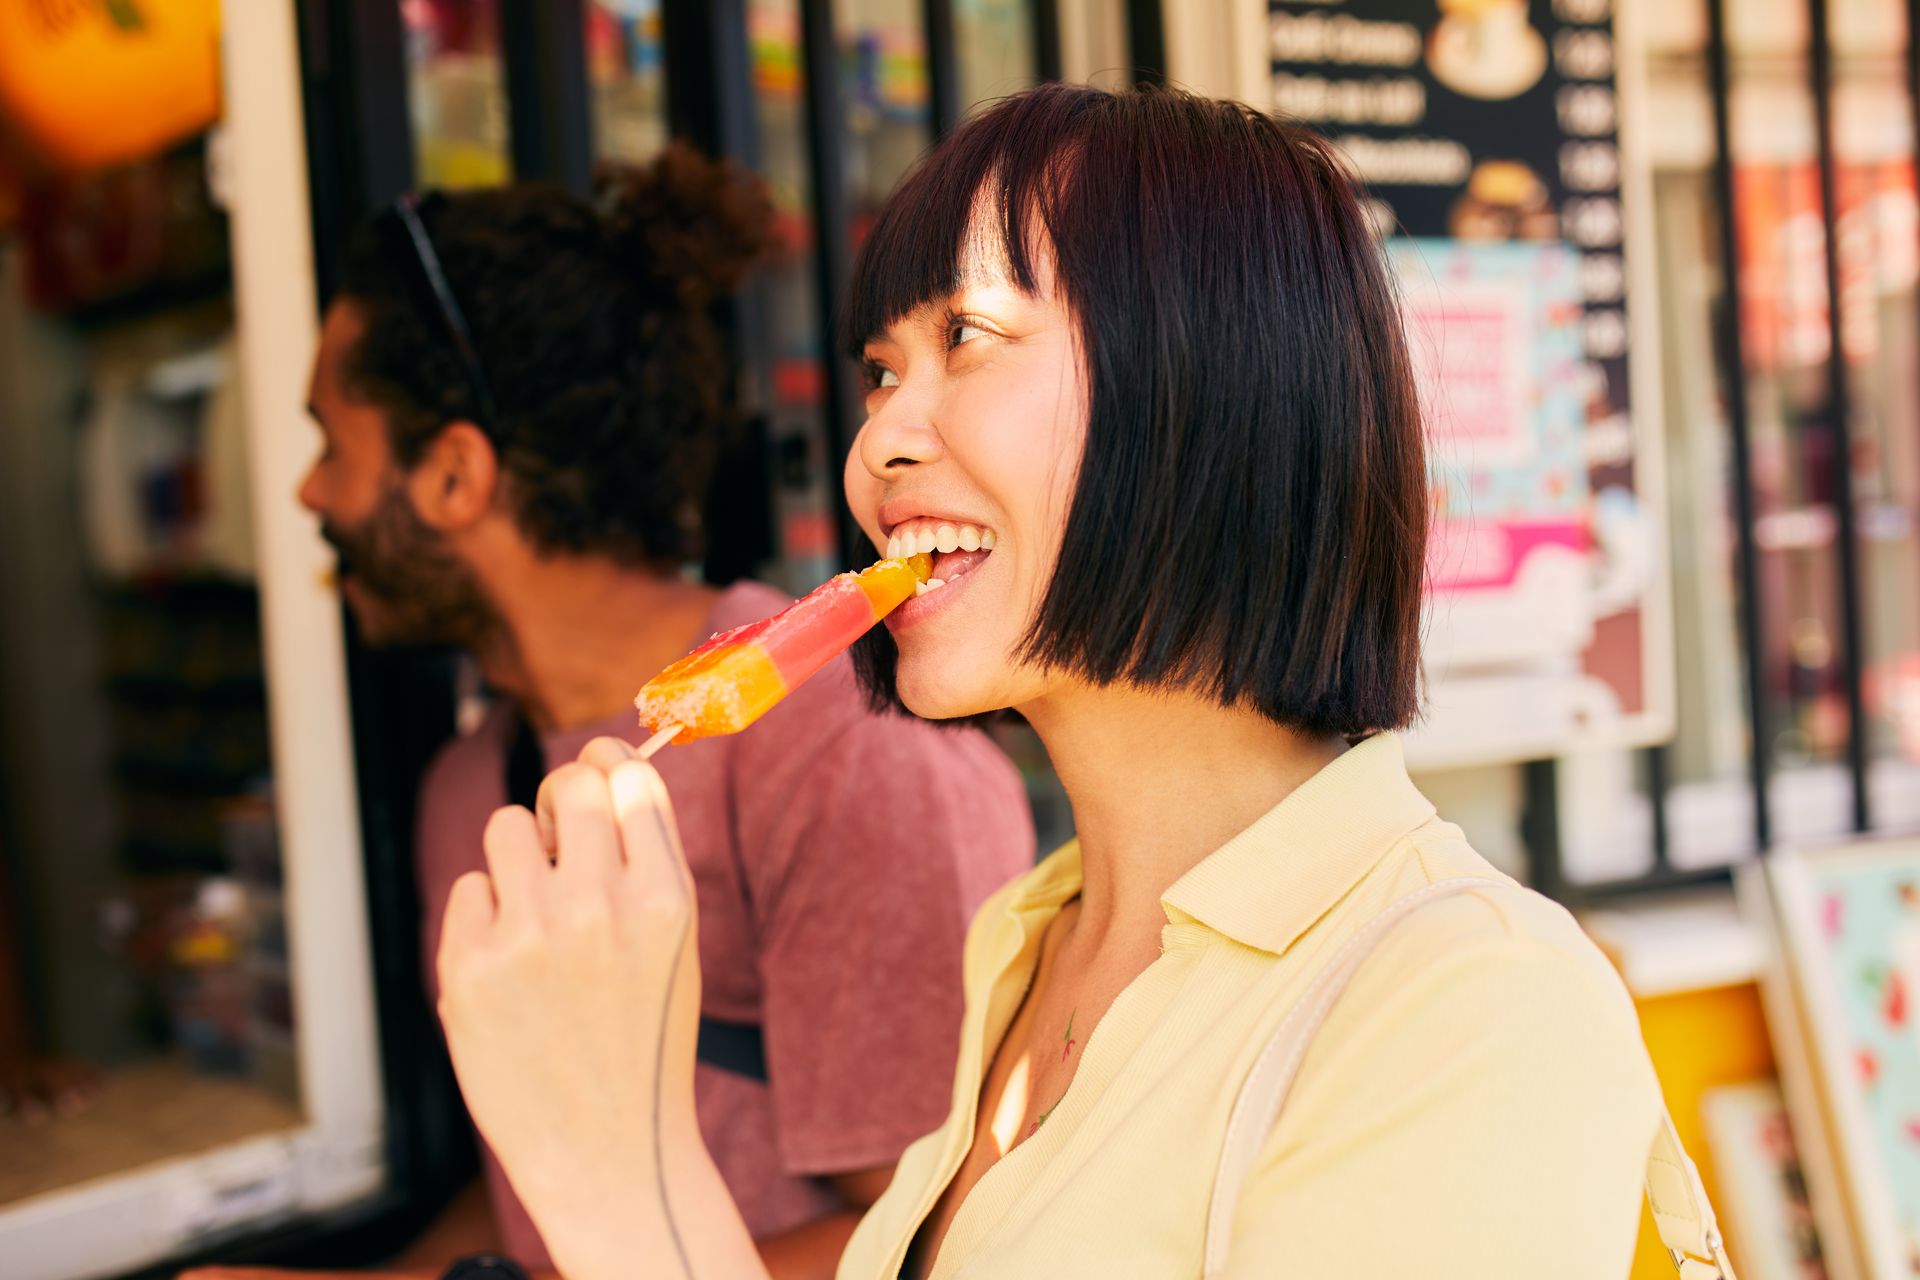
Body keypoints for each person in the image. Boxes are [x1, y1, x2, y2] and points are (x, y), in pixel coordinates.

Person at [427, 83, 1687, 1280]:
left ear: (1207, 389)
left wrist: (616, 1158)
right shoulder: (1025, 939)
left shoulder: (1474, 1008)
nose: (878, 444)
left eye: (966, 336)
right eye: (882, 370)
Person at [184, 147, 1033, 1280]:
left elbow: (931, 1239)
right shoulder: (469, 787)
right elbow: (539, 1207)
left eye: (331, 441)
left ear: (454, 475)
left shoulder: (845, 750)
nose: (308, 492)